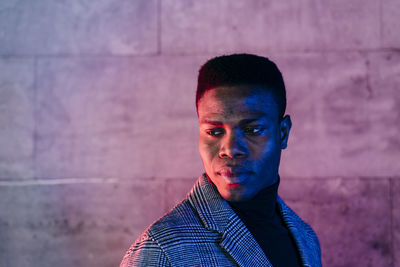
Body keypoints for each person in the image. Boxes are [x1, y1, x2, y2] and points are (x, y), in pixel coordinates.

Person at [120, 54, 322, 267]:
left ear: (283, 133)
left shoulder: (305, 237)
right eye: (214, 132)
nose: (231, 149)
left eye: (252, 130)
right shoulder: (161, 249)